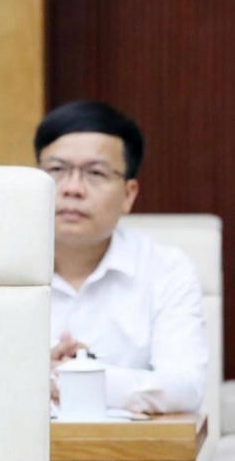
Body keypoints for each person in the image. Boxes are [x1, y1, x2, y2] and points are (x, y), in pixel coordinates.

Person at [36, 100, 208, 414]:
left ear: (129, 195)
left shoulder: (165, 270)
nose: (72, 188)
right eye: (57, 170)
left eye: (95, 173)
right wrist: (31, 376)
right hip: (14, 445)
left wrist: (80, 376)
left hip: (131, 446)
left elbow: (185, 388)